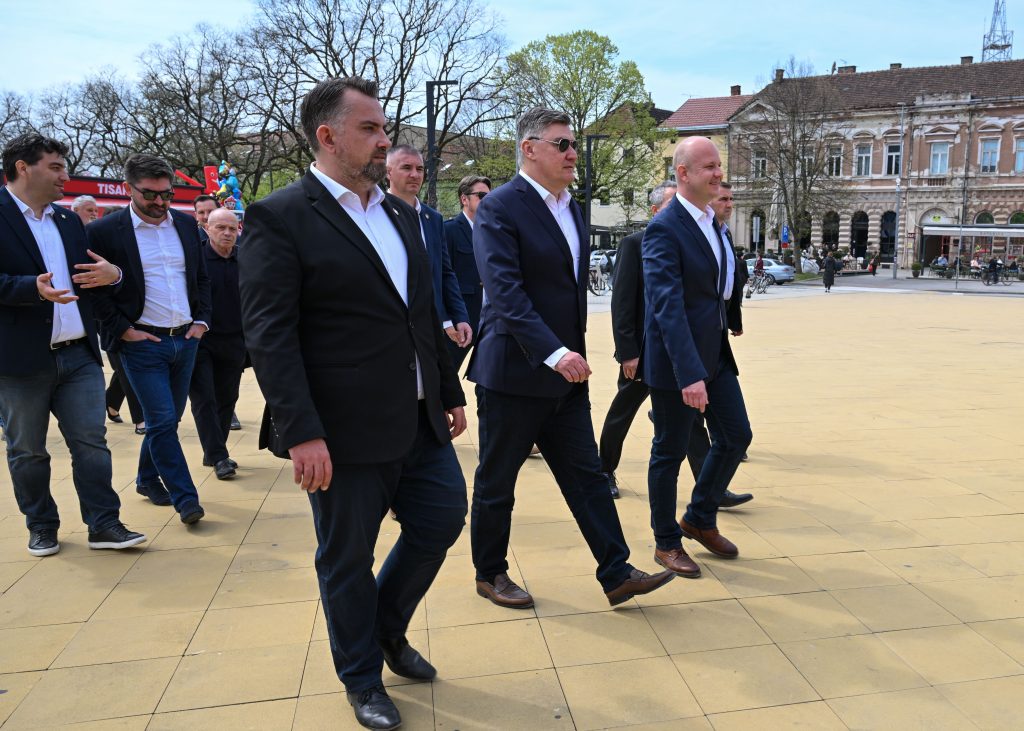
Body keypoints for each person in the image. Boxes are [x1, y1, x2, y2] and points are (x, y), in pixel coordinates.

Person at [239, 77, 468, 731]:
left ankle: (385, 628)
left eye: (384, 127)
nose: (384, 139)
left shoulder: (400, 214)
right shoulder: (280, 216)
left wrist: (448, 390)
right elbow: (270, 334)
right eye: (370, 128)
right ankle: (362, 678)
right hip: (340, 430)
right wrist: (301, 430)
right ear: (328, 136)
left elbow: (418, 313)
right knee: (346, 558)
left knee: (441, 520)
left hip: (418, 417)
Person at [468, 106, 675, 611]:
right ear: (529, 149)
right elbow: (506, 293)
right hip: (514, 372)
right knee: (498, 482)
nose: (573, 153)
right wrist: (555, 352)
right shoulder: (499, 208)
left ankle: (616, 572)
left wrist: (569, 354)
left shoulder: (572, 207)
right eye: (562, 144)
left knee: (586, 476)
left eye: (574, 144)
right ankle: (490, 573)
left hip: (567, 375)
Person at [0, 132, 146, 556]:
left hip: (79, 354)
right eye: (56, 167)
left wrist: (114, 276)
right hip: (20, 361)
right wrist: (30, 288)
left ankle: (104, 524)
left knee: (91, 444)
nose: (65, 175)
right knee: (28, 451)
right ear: (23, 167)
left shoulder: (67, 221)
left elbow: (91, 277)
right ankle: (41, 525)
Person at [642, 136, 752, 564]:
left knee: (736, 435)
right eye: (709, 167)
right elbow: (667, 307)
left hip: (715, 354)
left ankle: (700, 518)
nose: (718, 173)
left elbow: (716, 292)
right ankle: (666, 542)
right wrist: (689, 373)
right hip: (678, 362)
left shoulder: (712, 222)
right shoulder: (665, 228)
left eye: (719, 165)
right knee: (669, 451)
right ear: (683, 173)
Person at [87, 153, 211, 525]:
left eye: (166, 193)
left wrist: (201, 322)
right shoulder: (104, 232)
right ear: (129, 189)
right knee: (161, 420)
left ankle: (145, 478)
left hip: (186, 339)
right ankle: (186, 498)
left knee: (166, 422)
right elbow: (93, 291)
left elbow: (201, 278)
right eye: (150, 194)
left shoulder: (186, 225)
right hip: (141, 344)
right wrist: (124, 330)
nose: (159, 201)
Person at [385, 145, 472, 357]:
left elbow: (445, 272)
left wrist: (459, 316)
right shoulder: (376, 214)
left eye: (420, 169)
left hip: (430, 328)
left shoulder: (433, 218)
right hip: (392, 327)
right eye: (406, 167)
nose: (415, 175)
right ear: (388, 172)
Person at [188, 208, 246, 480]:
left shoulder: (246, 258)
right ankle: (219, 456)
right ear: (207, 228)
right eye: (221, 227)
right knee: (204, 399)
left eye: (232, 228)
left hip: (235, 340)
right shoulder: (195, 259)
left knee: (227, 398)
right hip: (201, 340)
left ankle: (214, 450)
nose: (227, 233)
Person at [444, 174, 491, 372]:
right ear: (464, 199)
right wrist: (449, 320)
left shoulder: (493, 232)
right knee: (447, 374)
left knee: (489, 377)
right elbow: (442, 278)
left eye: (490, 196)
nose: (487, 200)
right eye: (481, 196)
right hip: (462, 320)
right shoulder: (449, 230)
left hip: (491, 321)